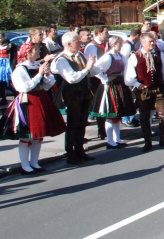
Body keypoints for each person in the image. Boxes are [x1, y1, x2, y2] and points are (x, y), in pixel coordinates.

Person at [0, 43, 66, 174]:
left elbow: (48, 85)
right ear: (28, 53)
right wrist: (39, 75)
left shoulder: (37, 66)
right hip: (28, 103)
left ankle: (34, 162)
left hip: (41, 99)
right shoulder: (20, 69)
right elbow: (24, 87)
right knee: (27, 136)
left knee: (38, 135)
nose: (39, 52)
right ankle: (25, 166)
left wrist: (46, 75)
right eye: (36, 50)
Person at [51, 32, 99, 165]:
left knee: (82, 122)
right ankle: (70, 153)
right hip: (72, 95)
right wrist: (87, 68)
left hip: (84, 92)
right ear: (69, 44)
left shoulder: (80, 55)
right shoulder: (61, 59)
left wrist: (94, 66)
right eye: (77, 41)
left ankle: (80, 150)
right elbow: (72, 78)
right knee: (73, 124)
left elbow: (90, 71)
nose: (80, 43)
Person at [125, 32, 164, 152]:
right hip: (144, 91)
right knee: (144, 116)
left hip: (158, 89)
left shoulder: (159, 54)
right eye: (150, 42)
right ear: (142, 43)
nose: (153, 44)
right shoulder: (135, 56)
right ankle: (148, 142)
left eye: (153, 41)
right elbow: (128, 77)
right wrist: (138, 85)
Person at [91, 36, 136, 149]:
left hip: (120, 85)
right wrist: (104, 79)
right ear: (114, 44)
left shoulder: (120, 56)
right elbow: (95, 69)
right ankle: (110, 141)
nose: (121, 45)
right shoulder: (108, 57)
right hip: (110, 87)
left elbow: (126, 69)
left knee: (118, 115)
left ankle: (117, 139)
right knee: (110, 115)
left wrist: (128, 82)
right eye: (120, 43)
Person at [85, 25, 110, 140]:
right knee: (99, 104)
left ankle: (105, 128)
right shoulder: (91, 46)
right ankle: (101, 130)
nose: (108, 34)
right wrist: (102, 77)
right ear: (99, 33)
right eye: (106, 32)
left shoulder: (105, 44)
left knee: (105, 104)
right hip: (96, 79)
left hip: (105, 77)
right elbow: (92, 65)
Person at [120, 28, 141, 127]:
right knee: (128, 97)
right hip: (127, 75)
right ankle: (126, 118)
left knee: (132, 97)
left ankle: (132, 117)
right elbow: (124, 61)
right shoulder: (127, 45)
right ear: (137, 36)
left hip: (132, 74)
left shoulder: (131, 44)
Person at [0, 33, 14, 107]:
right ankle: (3, 98)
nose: (0, 39)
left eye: (1, 37)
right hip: (0, 64)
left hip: (7, 64)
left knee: (8, 81)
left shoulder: (9, 45)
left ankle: (16, 93)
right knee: (1, 82)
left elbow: (12, 55)